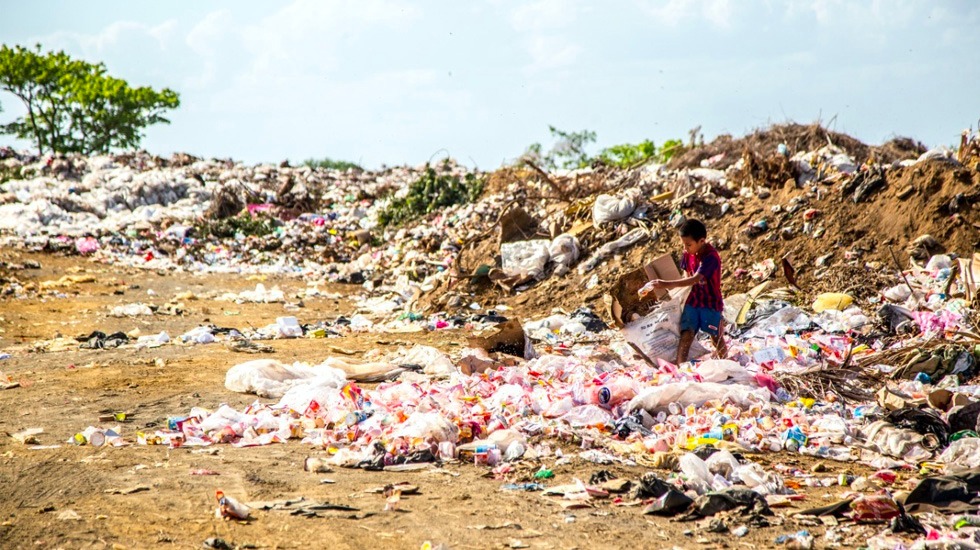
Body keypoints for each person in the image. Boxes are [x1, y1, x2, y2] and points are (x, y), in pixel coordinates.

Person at [638, 219, 727, 363]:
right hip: (693, 300)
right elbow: (686, 276)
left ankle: (726, 363)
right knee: (686, 333)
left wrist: (665, 284)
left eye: (689, 245)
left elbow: (694, 279)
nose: (685, 248)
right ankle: (681, 366)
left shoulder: (711, 257)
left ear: (702, 241)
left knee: (715, 336)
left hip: (710, 302)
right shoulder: (687, 254)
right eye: (683, 244)